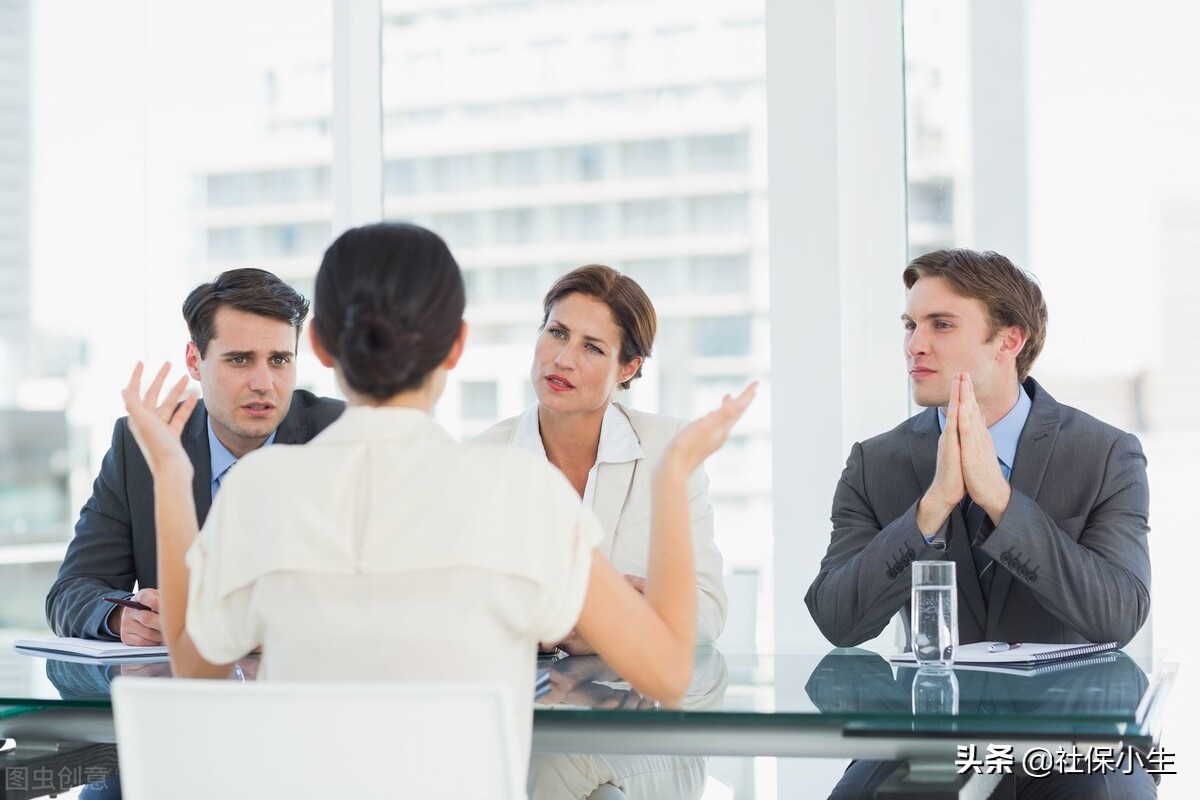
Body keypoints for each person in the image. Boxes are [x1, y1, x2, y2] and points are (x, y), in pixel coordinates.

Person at [119, 222, 755, 771]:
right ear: (456, 344)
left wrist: (171, 477)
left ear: (316, 347)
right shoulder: (521, 491)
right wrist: (671, 475)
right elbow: (670, 671)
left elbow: (195, 669)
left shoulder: (262, 489)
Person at [805, 248, 1153, 798]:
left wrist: (999, 500)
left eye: (941, 325)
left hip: (1075, 741)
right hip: (929, 739)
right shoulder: (876, 463)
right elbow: (837, 620)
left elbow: (1117, 615)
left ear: (1009, 341)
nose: (915, 344)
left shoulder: (1105, 453)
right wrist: (932, 508)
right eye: (911, 324)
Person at [45, 268, 344, 644]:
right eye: (240, 360)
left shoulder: (338, 435)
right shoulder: (141, 445)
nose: (264, 383)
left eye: (280, 360)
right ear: (193, 361)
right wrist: (121, 616)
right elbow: (71, 591)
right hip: (184, 691)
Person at [474, 265, 727, 653]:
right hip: (516, 698)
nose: (562, 359)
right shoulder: (480, 461)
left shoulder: (670, 448)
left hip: (631, 701)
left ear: (628, 368)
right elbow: (459, 610)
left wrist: (610, 629)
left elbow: (706, 609)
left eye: (592, 347)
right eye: (557, 333)